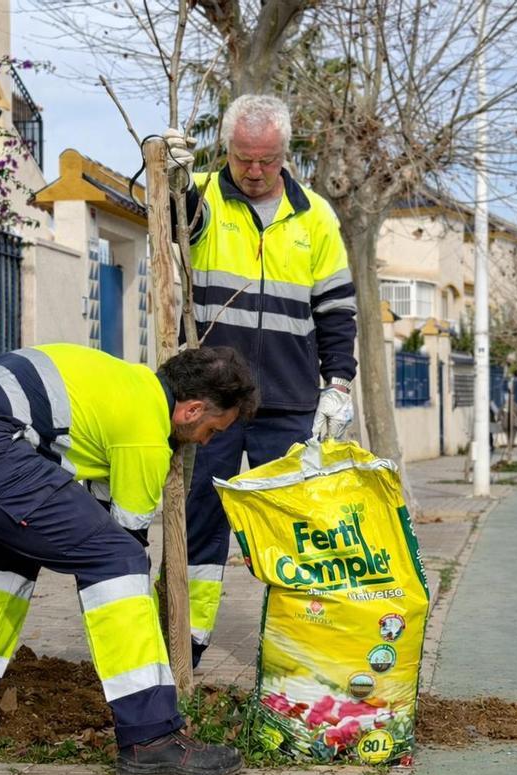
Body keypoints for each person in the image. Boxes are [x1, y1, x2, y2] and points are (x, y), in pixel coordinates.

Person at [0, 344, 258, 775]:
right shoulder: (147, 427)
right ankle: (151, 737)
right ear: (191, 410)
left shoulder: (121, 386)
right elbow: (123, 544)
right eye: (213, 430)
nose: (206, 442)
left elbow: (97, 516)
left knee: (8, 560)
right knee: (117, 560)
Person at [163, 95, 358, 667]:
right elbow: (161, 210)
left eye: (266, 160)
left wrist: (339, 383)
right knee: (201, 525)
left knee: (297, 530)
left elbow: (337, 311)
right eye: (243, 158)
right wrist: (165, 167)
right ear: (227, 149)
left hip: (289, 400)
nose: (252, 171)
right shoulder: (198, 194)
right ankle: (185, 648)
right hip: (210, 402)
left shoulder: (316, 215)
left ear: (285, 153)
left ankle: (299, 652)